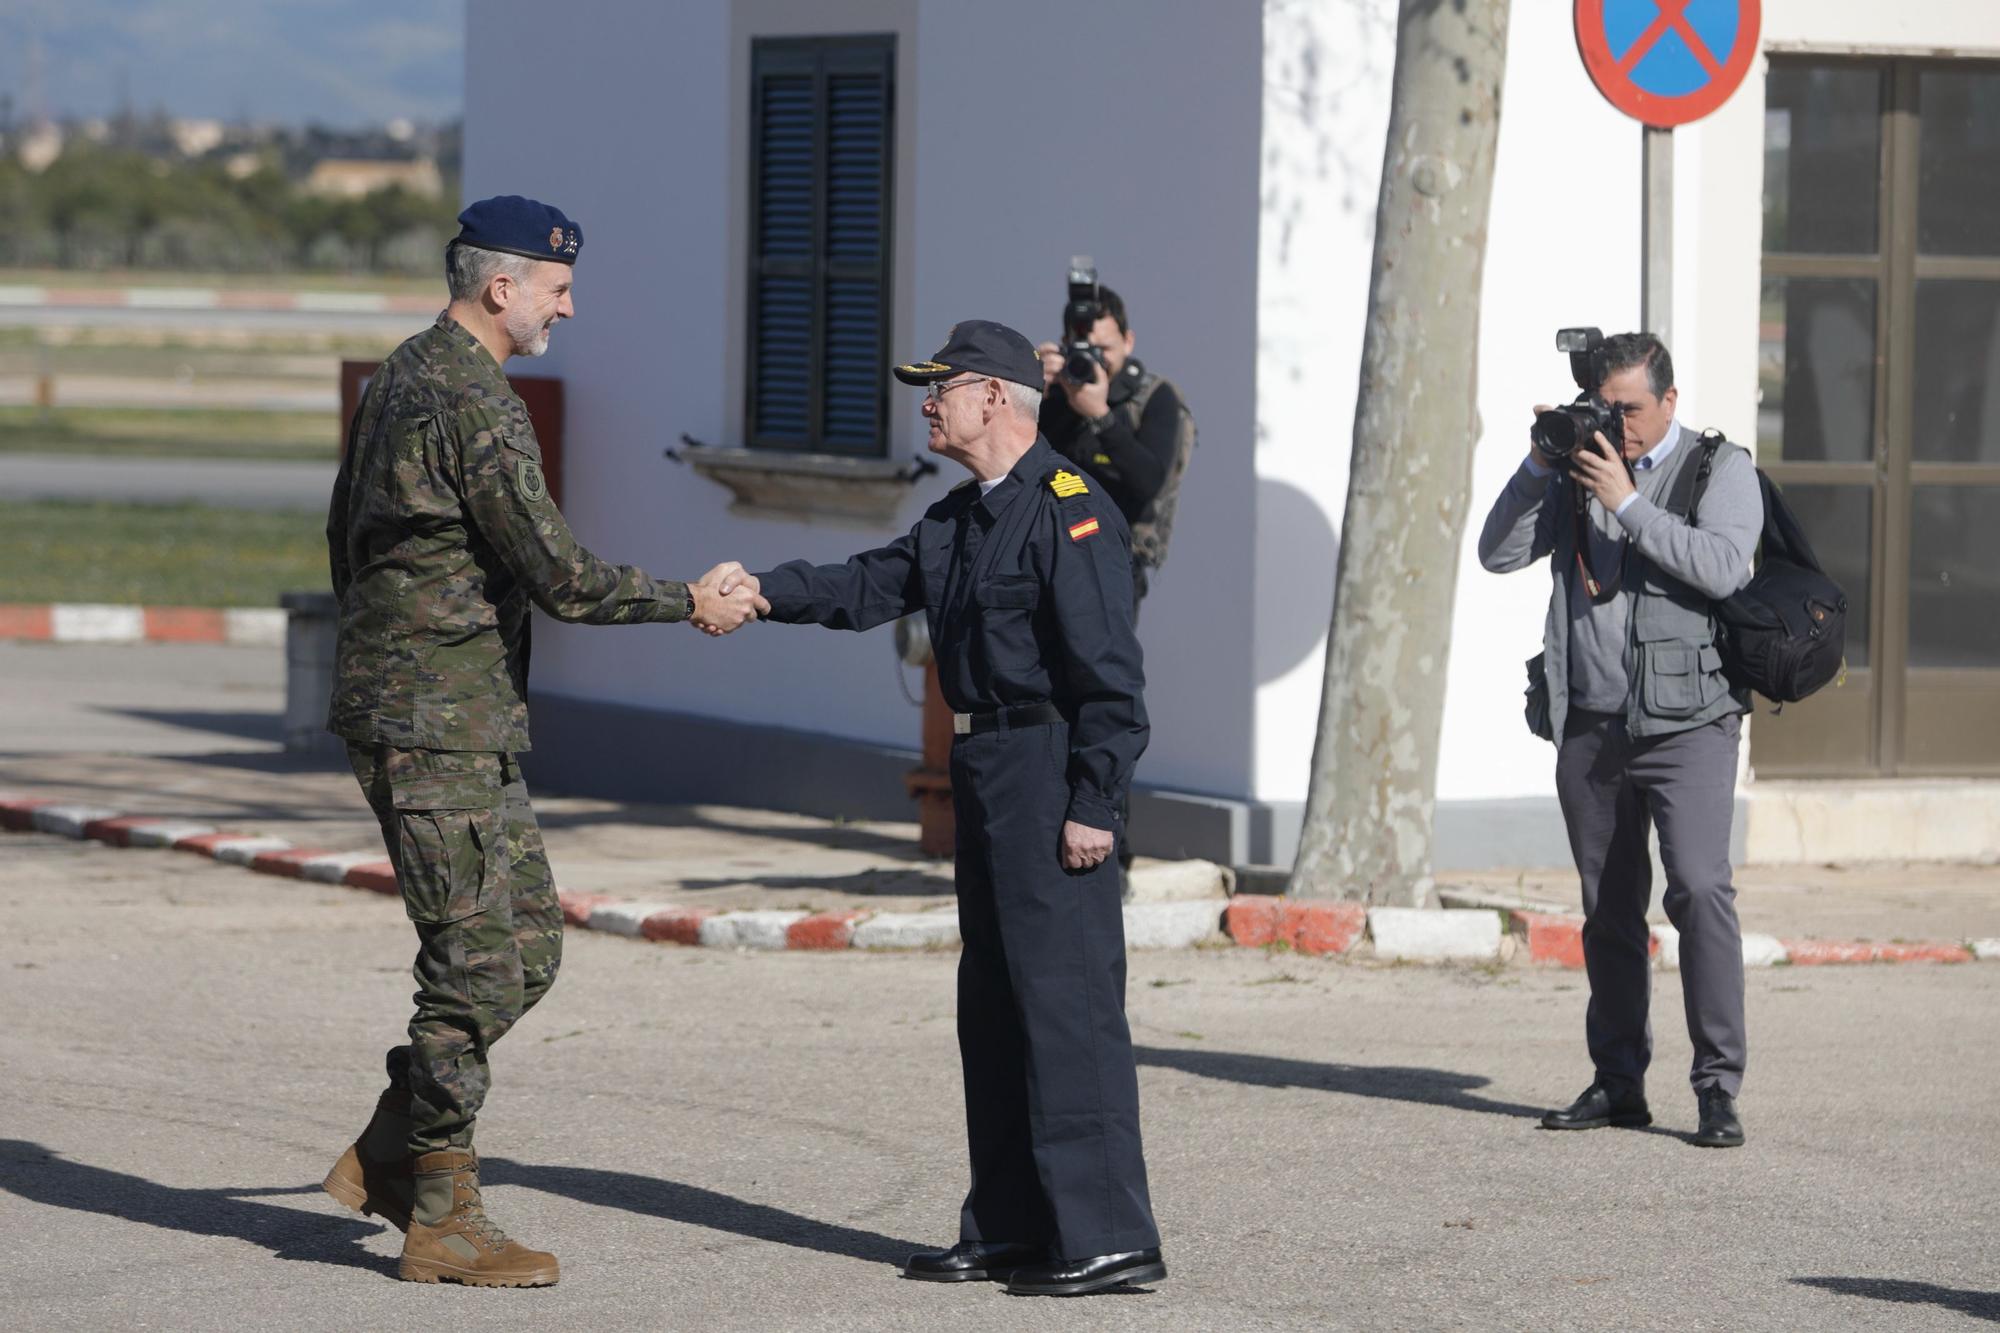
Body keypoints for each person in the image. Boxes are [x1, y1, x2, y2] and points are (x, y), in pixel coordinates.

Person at [318, 194, 766, 1288]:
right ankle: (443, 1213)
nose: (570, 307)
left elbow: (341, 532)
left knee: (529, 946)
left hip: (450, 715)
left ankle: (392, 1147)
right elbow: (558, 574)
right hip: (434, 722)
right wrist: (687, 599)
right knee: (474, 965)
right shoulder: (471, 399)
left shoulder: (404, 373)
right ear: (499, 287)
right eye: (557, 288)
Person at [719, 320, 1165, 1296]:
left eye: (942, 386)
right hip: (984, 772)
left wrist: (1096, 802)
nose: (927, 403)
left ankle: (1106, 1234)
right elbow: (865, 585)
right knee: (994, 1010)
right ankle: (1008, 1225)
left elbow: (1110, 682)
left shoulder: (1067, 508)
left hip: (1049, 771)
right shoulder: (958, 519)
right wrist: (759, 590)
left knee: (1067, 1008)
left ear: (996, 399)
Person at [1477, 332, 1760, 1149]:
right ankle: (1618, 1079)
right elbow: (1497, 554)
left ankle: (1716, 1087)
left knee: (1700, 892)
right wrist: (1540, 464)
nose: (1620, 425)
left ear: (1669, 401)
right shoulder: (1576, 470)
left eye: (1632, 409)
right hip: (1590, 725)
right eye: (1608, 408)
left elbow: (1726, 565)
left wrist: (1629, 501)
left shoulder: (1717, 469)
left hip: (1690, 723)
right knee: (1607, 908)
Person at [1034, 283, 1195, 615]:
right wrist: (1030, 393)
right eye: (1084, 349)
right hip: (1044, 552)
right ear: (1066, 346)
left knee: (1095, 665)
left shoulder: (1153, 397)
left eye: (1103, 349)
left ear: (1128, 341)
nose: (1095, 362)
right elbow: (1017, 463)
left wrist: (1099, 417)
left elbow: (1150, 482)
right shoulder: (1055, 394)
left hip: (1114, 561)